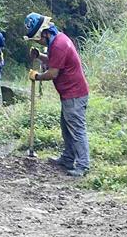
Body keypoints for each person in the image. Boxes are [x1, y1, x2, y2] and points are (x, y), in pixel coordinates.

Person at [24, 13, 90, 177]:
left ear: (45, 33)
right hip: (69, 93)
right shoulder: (57, 41)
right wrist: (40, 56)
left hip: (74, 93)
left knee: (76, 129)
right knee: (66, 127)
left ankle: (83, 165)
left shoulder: (59, 45)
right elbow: (55, 61)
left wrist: (37, 76)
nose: (38, 42)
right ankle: (68, 158)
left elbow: (53, 72)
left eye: (38, 39)